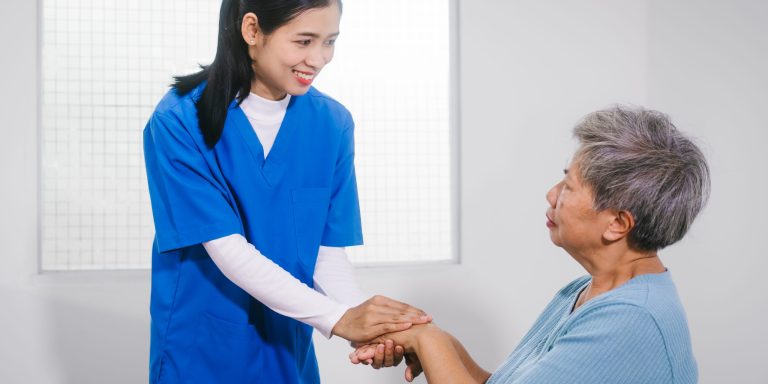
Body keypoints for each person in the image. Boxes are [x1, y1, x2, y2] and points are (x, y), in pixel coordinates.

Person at [143, 0, 428, 382]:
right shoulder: (178, 121)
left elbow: (325, 254)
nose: (319, 58)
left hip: (286, 344)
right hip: (202, 349)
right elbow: (228, 251)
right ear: (252, 30)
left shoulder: (332, 124)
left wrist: (375, 326)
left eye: (330, 42)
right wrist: (341, 319)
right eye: (304, 41)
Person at [352, 105, 708, 383]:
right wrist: (433, 341)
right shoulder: (584, 291)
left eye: (569, 187)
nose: (552, 194)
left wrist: (427, 341)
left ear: (617, 223)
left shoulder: (633, 319)